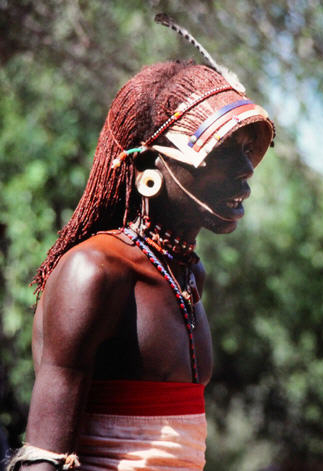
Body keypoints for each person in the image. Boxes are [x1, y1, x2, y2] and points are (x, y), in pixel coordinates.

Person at [8, 16, 275, 471]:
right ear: (151, 165)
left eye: (248, 149)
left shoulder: (187, 275)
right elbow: (42, 461)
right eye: (221, 151)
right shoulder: (93, 271)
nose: (246, 168)